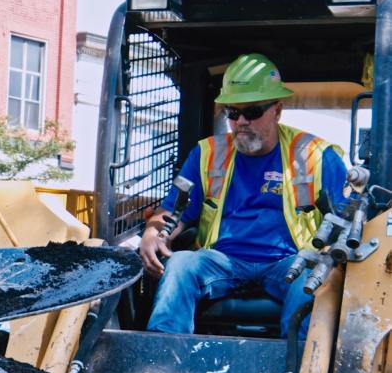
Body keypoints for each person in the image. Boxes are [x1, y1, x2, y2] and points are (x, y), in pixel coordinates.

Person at [139, 53, 348, 340]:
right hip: (223, 259)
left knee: (311, 281)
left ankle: (301, 372)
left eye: (251, 112)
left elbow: (347, 222)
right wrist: (153, 233)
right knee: (180, 266)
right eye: (233, 113)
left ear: (277, 110)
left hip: (290, 261)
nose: (241, 122)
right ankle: (161, 364)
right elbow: (172, 212)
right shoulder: (207, 154)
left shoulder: (317, 157)